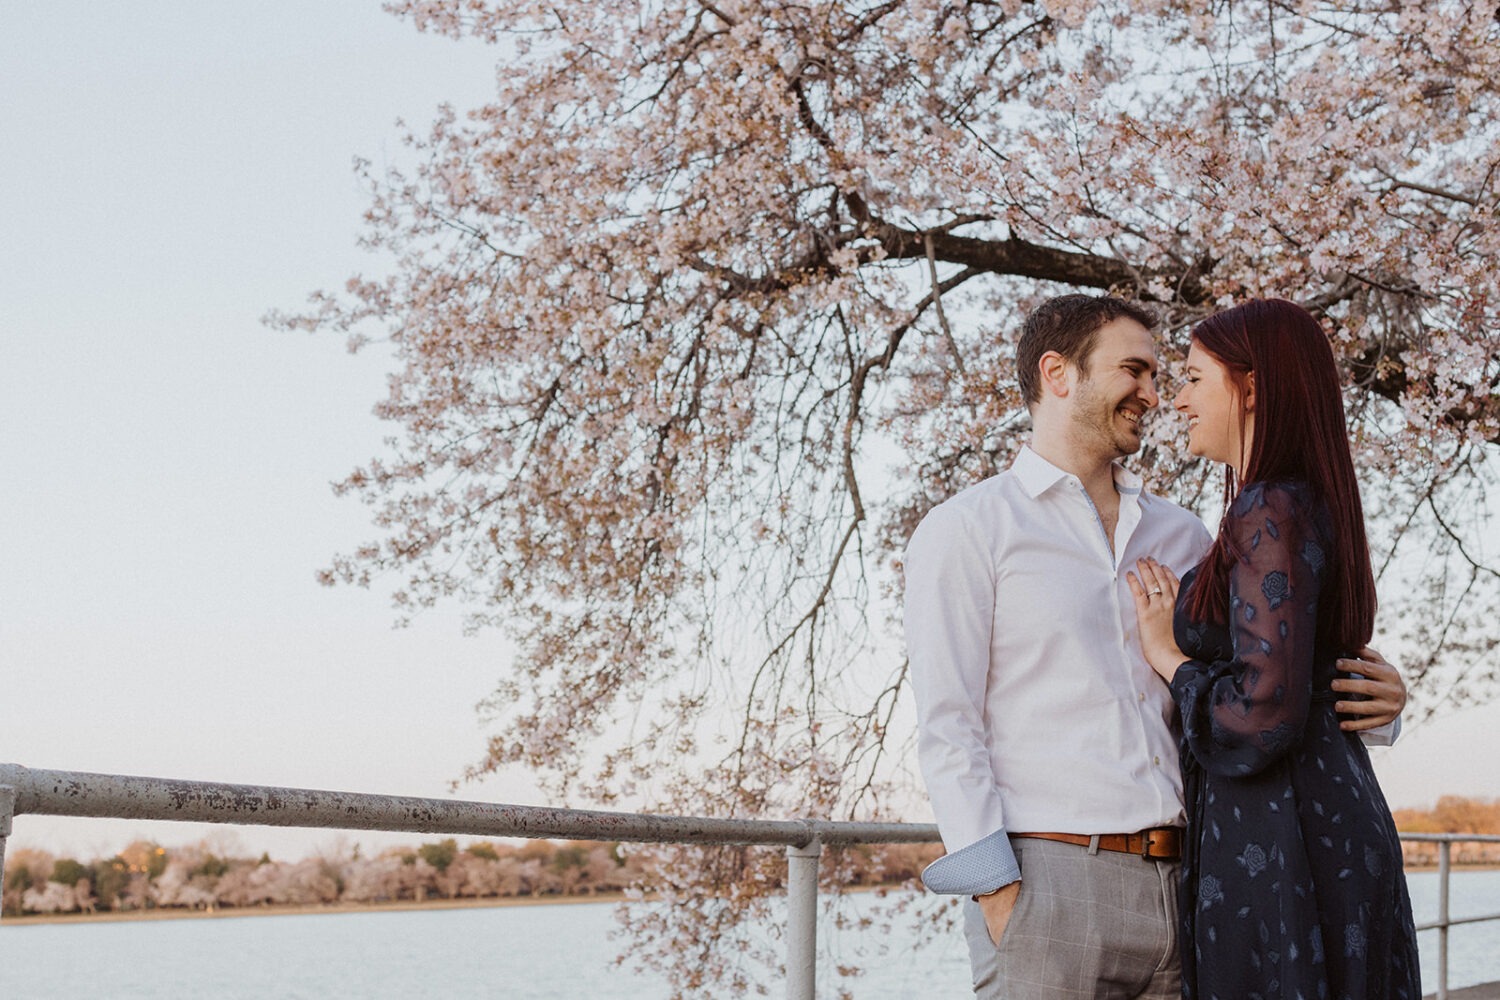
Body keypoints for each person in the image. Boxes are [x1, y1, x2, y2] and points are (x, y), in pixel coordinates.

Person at [904, 294, 1407, 999]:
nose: (1156, 394)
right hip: (1051, 884)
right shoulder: (968, 530)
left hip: (1197, 883)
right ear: (1058, 374)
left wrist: (1382, 707)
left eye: (1165, 374)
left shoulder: (1187, 537)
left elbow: (1269, 670)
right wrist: (1001, 896)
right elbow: (948, 725)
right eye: (1134, 371)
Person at [1127, 298, 1420, 998]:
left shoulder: (1270, 508)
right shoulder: (1297, 502)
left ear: (1250, 386)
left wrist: (1169, 656)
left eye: (1196, 378)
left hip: (1285, 839)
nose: (1179, 398)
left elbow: (1263, 714)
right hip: (1315, 825)